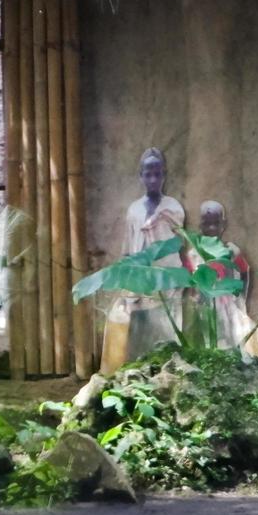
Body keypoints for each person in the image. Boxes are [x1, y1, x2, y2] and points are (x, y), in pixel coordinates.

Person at [100, 148, 186, 373]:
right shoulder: (134, 209)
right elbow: (129, 244)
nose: (153, 179)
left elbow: (178, 242)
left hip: (166, 277)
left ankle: (169, 372)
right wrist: (125, 271)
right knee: (138, 327)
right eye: (148, 174)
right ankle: (137, 371)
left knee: (168, 327)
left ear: (164, 175)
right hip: (140, 278)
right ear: (141, 176)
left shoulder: (173, 207)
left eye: (157, 174)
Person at [183, 201, 258, 358]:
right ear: (201, 225)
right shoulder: (194, 253)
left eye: (216, 223)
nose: (212, 228)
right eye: (207, 224)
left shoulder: (231, 250)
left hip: (228, 304)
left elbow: (245, 271)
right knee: (207, 340)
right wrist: (194, 298)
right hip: (204, 305)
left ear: (223, 225)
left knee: (234, 338)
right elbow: (187, 280)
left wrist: (242, 299)